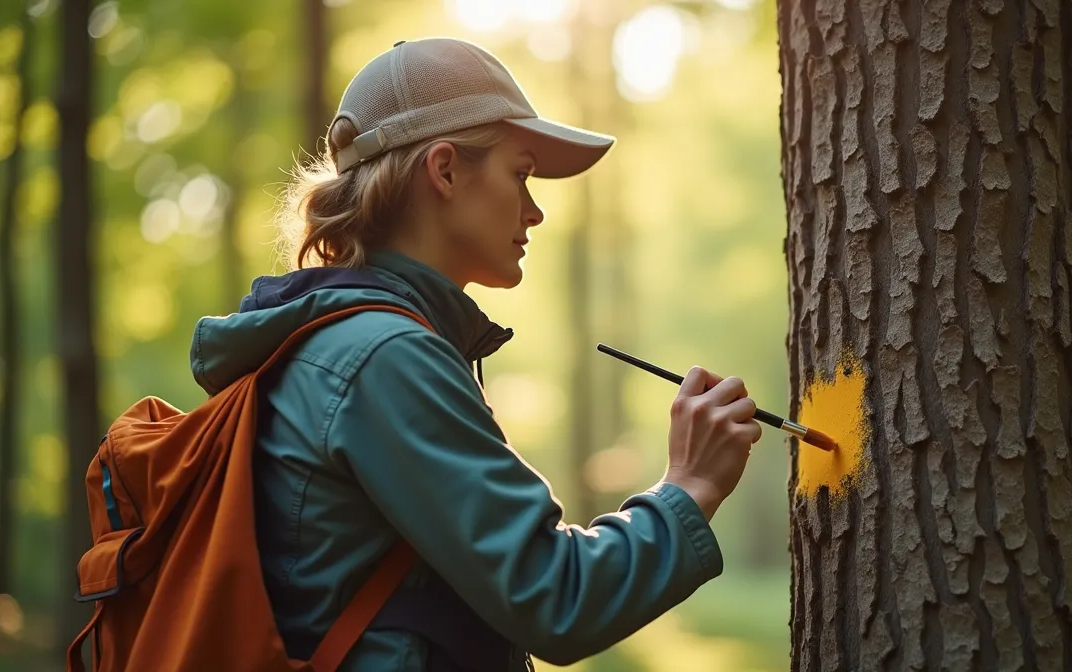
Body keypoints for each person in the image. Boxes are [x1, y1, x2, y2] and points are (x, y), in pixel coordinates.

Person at [188, 37, 762, 670]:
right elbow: (556, 596)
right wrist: (691, 483)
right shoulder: (384, 358)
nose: (535, 210)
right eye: (520, 174)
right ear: (445, 170)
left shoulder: (346, 344)